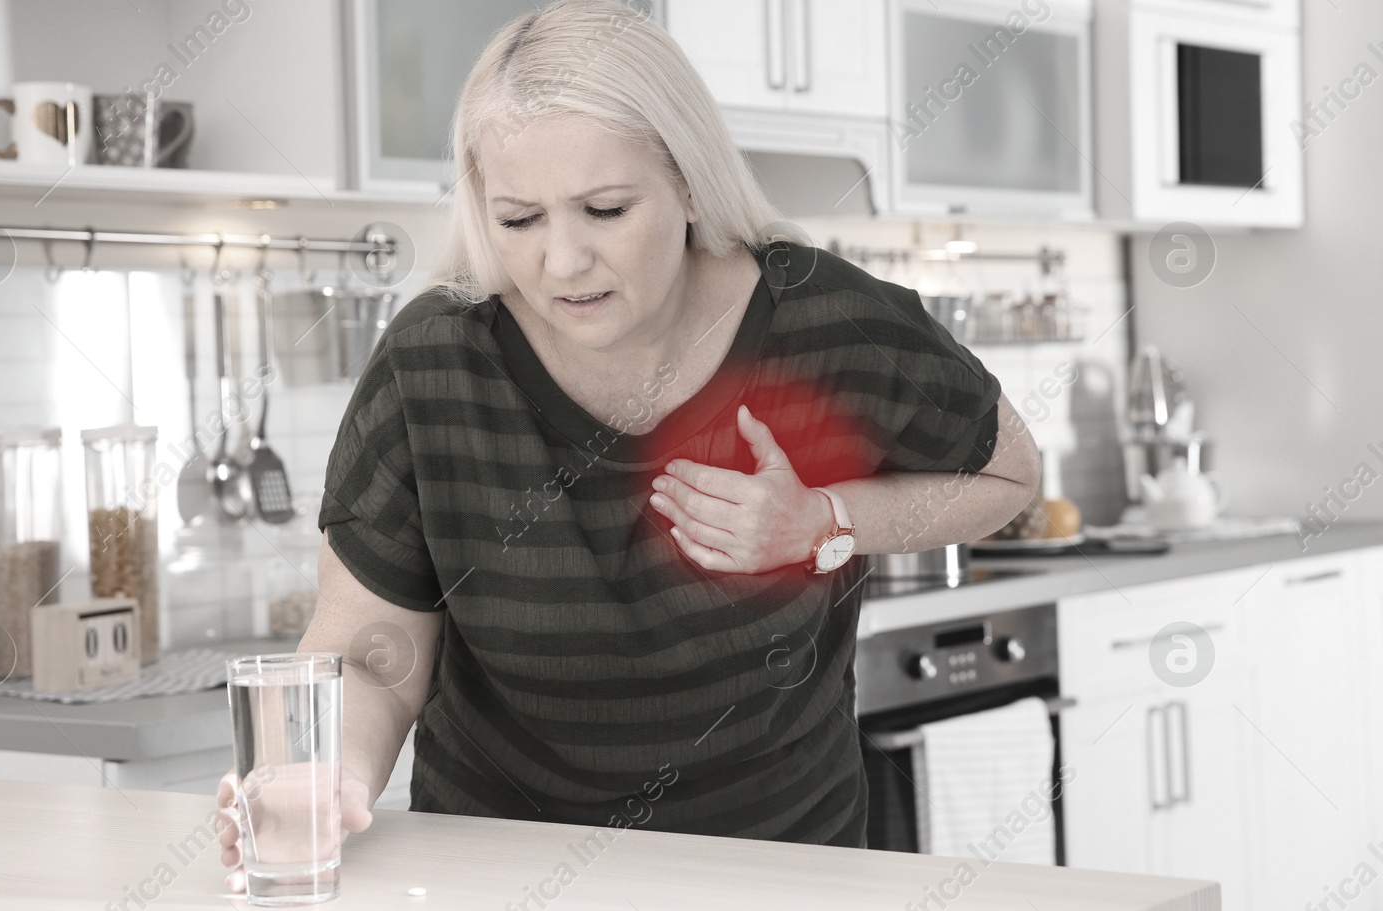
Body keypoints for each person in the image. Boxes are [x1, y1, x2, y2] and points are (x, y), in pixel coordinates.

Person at [217, 0, 1039, 889]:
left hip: (779, 877)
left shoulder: (828, 324)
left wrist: (826, 523)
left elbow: (1009, 474)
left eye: (604, 209)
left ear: (689, 182)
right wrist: (330, 776)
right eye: (520, 219)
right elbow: (371, 645)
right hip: (504, 881)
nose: (561, 262)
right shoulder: (438, 361)